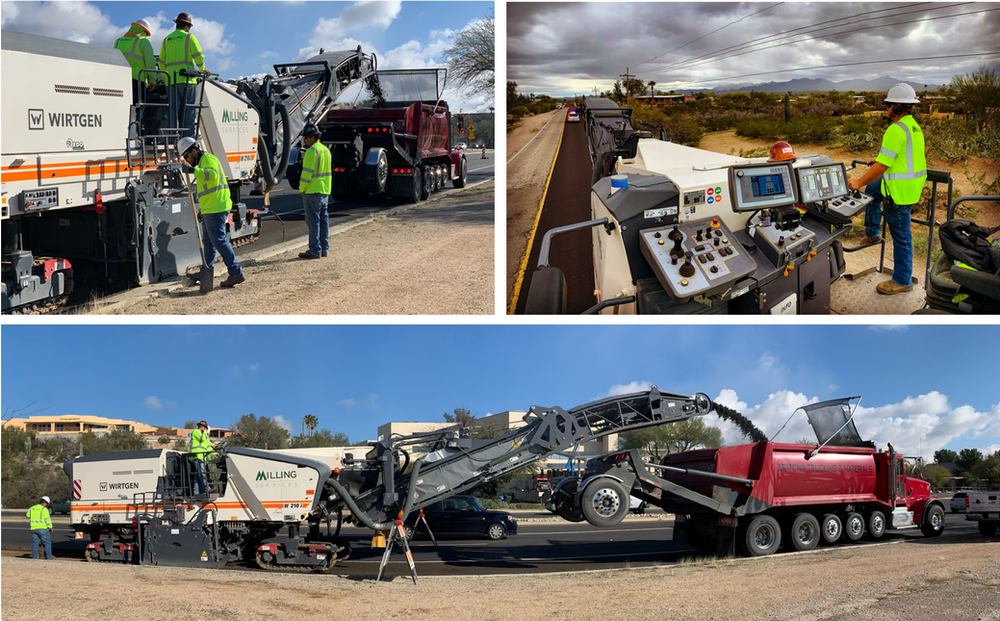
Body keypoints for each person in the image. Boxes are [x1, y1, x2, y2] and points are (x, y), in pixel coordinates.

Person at [848, 83, 927, 295]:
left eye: (889, 106)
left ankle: (902, 280)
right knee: (873, 191)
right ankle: (873, 232)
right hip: (907, 185)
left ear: (898, 108)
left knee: (902, 236)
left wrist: (858, 182)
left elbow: (883, 166)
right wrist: (880, 159)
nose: (887, 110)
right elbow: (897, 156)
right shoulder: (913, 126)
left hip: (898, 192)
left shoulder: (895, 129)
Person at [178, 137, 246, 287]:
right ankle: (205, 272)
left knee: (219, 241)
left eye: (187, 156)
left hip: (217, 208)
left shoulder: (207, 159)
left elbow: (211, 175)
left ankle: (235, 272)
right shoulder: (202, 162)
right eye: (184, 158)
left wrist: (192, 170)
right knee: (209, 243)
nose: (187, 160)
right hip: (211, 208)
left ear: (194, 151)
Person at [160, 12, 206, 138]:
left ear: (176, 25)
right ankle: (188, 140)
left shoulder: (167, 40)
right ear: (188, 26)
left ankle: (172, 138)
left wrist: (166, 78)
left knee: (172, 111)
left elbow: (161, 63)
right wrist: (202, 69)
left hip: (171, 81)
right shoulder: (189, 38)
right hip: (187, 81)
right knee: (189, 112)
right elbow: (199, 56)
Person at [297, 123, 332, 260]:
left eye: (306, 138)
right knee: (324, 221)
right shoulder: (325, 150)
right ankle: (324, 248)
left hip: (312, 191)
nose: (304, 141)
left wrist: (302, 189)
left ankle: (314, 250)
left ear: (312, 137)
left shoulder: (311, 152)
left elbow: (307, 174)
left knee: (313, 222)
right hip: (324, 191)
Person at [113, 19, 156, 105]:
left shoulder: (118, 41)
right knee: (138, 107)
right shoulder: (143, 41)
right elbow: (150, 62)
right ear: (144, 31)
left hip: (120, 79)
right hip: (138, 79)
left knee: (122, 106)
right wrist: (153, 79)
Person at [189, 420, 218, 495]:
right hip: (197, 455)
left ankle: (196, 491)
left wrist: (215, 453)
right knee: (202, 473)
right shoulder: (196, 432)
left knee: (198, 475)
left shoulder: (203, 436)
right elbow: (203, 439)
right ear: (202, 427)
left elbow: (207, 447)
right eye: (205, 428)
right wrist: (205, 432)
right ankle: (206, 489)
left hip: (201, 456)